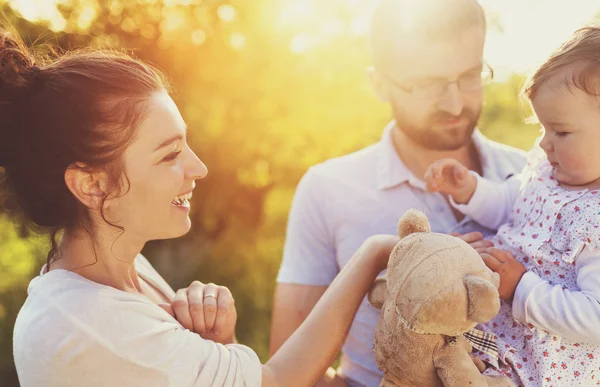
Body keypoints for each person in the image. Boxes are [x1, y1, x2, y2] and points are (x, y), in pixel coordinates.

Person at [1, 31, 400, 387]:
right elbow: (280, 383)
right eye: (170, 154)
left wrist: (220, 346)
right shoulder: (85, 321)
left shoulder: (126, 271)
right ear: (92, 185)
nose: (199, 168)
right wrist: (373, 255)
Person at [270, 0, 528, 386]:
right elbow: (287, 367)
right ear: (379, 83)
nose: (454, 102)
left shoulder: (536, 178)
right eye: (427, 83)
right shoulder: (328, 189)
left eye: (470, 76)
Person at [424, 26, 600, 386]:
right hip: (491, 334)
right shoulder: (549, 171)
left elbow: (595, 317)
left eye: (561, 132)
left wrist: (521, 287)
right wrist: (471, 189)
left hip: (540, 360)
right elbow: (512, 204)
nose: (545, 143)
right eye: (542, 128)